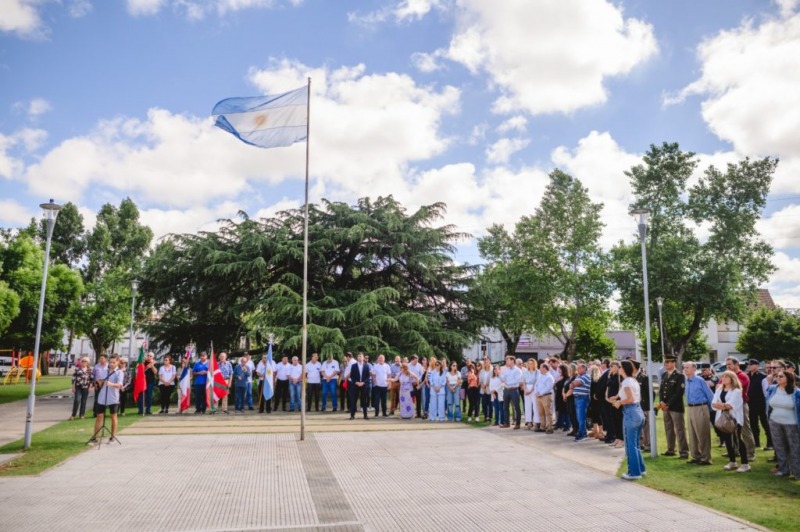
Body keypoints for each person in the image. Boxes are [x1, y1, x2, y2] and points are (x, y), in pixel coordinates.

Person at [614, 360, 645, 480]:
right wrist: (618, 397)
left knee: (630, 444)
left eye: (620, 366)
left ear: (624, 369)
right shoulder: (634, 380)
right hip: (638, 411)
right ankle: (640, 469)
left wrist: (619, 402)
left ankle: (634, 472)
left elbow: (630, 399)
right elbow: (638, 397)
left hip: (631, 412)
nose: (618, 368)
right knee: (635, 443)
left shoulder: (627, 382)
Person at [712, 370, 750, 473]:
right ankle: (732, 461)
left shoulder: (736, 391)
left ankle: (745, 464)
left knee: (737, 441)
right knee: (728, 441)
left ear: (732, 379)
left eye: (726, 377)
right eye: (722, 377)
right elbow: (713, 403)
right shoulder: (719, 390)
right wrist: (724, 405)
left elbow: (731, 405)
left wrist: (722, 405)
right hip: (723, 419)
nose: (723, 378)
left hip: (734, 419)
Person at [765, 370, 800, 479]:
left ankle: (797, 472)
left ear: (788, 379)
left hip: (792, 424)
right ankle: (783, 469)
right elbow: (768, 404)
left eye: (781, 376)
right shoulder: (772, 389)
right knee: (779, 447)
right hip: (774, 422)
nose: (778, 378)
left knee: (794, 448)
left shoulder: (796, 392)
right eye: (777, 376)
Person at [89, 355, 124, 445]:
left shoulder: (119, 372)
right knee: (99, 416)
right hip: (103, 396)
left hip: (113, 398)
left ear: (117, 362)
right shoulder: (105, 371)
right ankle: (95, 437)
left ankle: (112, 437)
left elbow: (120, 385)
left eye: (113, 362)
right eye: (110, 362)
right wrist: (100, 382)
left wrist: (111, 384)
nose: (111, 364)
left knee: (113, 416)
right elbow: (102, 384)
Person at [684, 361, 714, 465]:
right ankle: (696, 456)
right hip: (690, 408)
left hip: (701, 407)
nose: (685, 369)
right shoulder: (687, 380)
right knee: (692, 433)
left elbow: (710, 395)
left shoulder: (699, 380)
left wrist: (711, 411)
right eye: (684, 367)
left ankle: (706, 458)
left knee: (702, 433)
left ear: (693, 369)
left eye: (687, 367)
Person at [658, 356, 688, 458]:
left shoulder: (679, 376)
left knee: (679, 429)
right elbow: (661, 390)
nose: (665, 364)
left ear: (674, 363)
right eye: (664, 362)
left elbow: (679, 392)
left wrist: (668, 404)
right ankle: (671, 449)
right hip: (665, 407)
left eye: (668, 362)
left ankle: (684, 451)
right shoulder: (664, 375)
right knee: (668, 428)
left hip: (675, 407)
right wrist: (661, 401)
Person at [727, 356, 755, 461]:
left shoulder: (742, 376)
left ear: (736, 364)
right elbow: (720, 387)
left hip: (741, 405)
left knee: (745, 429)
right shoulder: (728, 375)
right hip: (729, 406)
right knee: (731, 429)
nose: (727, 366)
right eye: (727, 364)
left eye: (729, 364)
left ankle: (750, 453)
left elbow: (735, 388)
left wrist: (726, 385)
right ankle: (735, 450)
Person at [746, 359, 771, 451]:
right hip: (751, 404)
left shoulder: (763, 377)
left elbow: (765, 392)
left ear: (756, 366)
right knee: (753, 424)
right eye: (748, 365)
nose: (749, 366)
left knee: (765, 423)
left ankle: (770, 442)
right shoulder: (747, 376)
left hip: (761, 404)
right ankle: (756, 442)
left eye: (751, 364)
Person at [570, 362, 592, 441]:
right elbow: (571, 385)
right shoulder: (579, 376)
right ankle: (582, 432)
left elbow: (576, 383)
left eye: (579, 368)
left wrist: (573, 384)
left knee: (581, 417)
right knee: (579, 417)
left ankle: (582, 434)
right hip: (577, 398)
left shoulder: (586, 376)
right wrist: (573, 384)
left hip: (582, 398)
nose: (577, 369)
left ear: (584, 368)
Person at [500, 356, 522, 429]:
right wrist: (499, 374)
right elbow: (503, 379)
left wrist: (508, 383)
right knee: (505, 407)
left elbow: (517, 380)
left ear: (512, 361)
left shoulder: (518, 370)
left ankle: (518, 423)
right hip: (506, 390)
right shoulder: (507, 370)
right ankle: (507, 423)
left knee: (516, 407)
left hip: (514, 390)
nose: (506, 362)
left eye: (508, 360)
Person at [349, 353, 371, 420]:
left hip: (364, 385)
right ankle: (352, 415)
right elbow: (351, 376)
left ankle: (365, 415)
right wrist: (356, 382)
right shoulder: (353, 366)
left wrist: (363, 382)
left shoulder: (366, 366)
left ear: (363, 358)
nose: (359, 357)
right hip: (355, 385)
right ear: (357, 358)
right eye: (358, 356)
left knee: (364, 400)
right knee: (354, 400)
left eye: (361, 356)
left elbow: (368, 376)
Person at [535, 361, 555, 433]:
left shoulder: (549, 377)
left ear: (544, 368)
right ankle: (542, 426)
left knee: (548, 412)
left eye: (540, 367)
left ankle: (549, 427)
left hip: (546, 396)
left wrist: (541, 393)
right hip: (539, 396)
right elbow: (536, 385)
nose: (539, 369)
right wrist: (536, 392)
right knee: (541, 412)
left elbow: (548, 387)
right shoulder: (540, 376)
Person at [522, 359, 538, 429]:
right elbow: (524, 381)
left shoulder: (537, 372)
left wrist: (531, 390)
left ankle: (536, 422)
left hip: (534, 389)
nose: (530, 365)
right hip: (527, 388)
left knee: (535, 406)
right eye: (529, 363)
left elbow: (536, 382)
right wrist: (525, 389)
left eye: (531, 363)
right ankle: (529, 421)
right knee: (527, 406)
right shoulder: (526, 372)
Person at [554, 364, 571, 432]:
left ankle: (567, 425)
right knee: (560, 410)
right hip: (558, 395)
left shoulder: (567, 378)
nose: (558, 370)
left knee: (565, 411)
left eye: (560, 369)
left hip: (563, 395)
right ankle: (559, 424)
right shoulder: (560, 377)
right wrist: (557, 380)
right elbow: (555, 384)